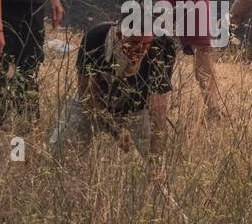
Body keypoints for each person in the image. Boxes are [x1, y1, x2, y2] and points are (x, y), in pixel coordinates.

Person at [49, 21, 176, 156]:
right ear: (119, 35)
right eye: (133, 42)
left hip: (137, 108)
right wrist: (115, 130)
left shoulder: (162, 48)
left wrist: (155, 161)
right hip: (95, 100)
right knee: (63, 149)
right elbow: (85, 94)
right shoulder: (96, 38)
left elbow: (158, 109)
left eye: (145, 44)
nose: (139, 50)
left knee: (151, 153)